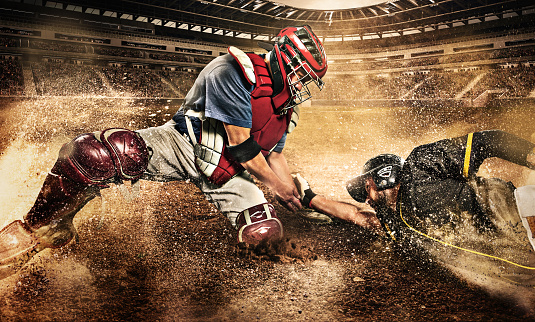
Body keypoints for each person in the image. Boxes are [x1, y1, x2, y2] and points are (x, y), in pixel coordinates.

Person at [0, 25, 328, 279]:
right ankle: (37, 227)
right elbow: (242, 146)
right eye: (302, 72)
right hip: (186, 144)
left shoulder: (285, 110)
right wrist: (279, 186)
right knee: (94, 155)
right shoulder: (234, 71)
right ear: (285, 57)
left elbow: (274, 155)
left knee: (264, 233)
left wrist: (292, 196)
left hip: (227, 173)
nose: (302, 84)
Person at [294, 130, 535, 280]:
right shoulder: (395, 221)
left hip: (521, 210)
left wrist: (530, 154)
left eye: (367, 189)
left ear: (383, 176)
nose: (367, 199)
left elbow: (486, 141)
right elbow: (356, 216)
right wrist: (312, 199)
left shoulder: (418, 165)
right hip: (522, 255)